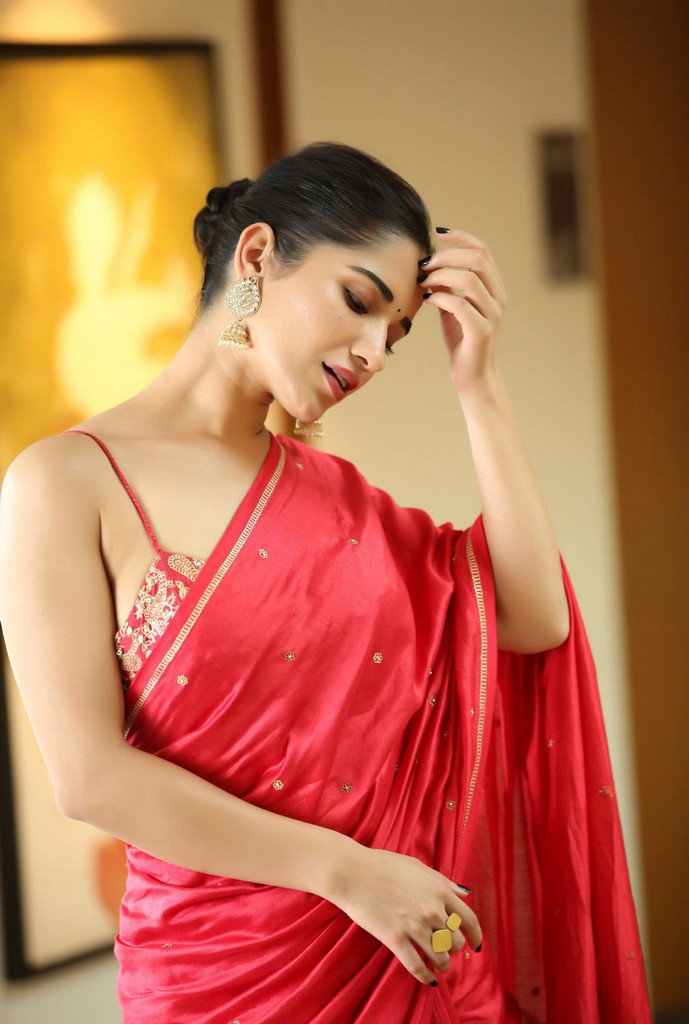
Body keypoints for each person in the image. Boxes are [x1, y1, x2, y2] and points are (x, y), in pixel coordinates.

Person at [0, 143, 651, 1023]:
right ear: (257, 256)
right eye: (358, 302)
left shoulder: (337, 501)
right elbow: (89, 777)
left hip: (411, 964)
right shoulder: (64, 484)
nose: (374, 352)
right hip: (217, 977)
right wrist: (350, 874)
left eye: (397, 335)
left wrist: (480, 384)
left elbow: (534, 619)